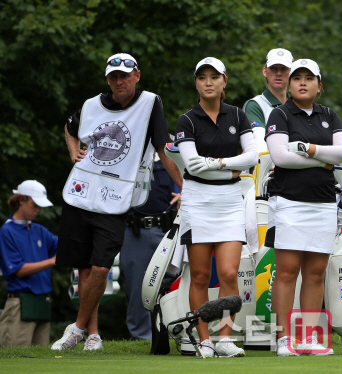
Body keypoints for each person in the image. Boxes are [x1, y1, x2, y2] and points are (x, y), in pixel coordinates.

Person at [52, 53, 183, 351]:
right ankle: (93, 335)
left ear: (137, 75)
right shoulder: (91, 105)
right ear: (108, 79)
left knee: (100, 269)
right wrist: (74, 151)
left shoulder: (150, 103)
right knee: (84, 269)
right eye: (114, 77)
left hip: (116, 198)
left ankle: (76, 329)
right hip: (82, 191)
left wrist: (185, 189)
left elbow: (163, 149)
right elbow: (70, 129)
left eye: (125, 75)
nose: (119, 81)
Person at [264, 59, 342, 356]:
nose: (302, 82)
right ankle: (285, 338)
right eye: (296, 77)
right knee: (287, 271)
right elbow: (281, 157)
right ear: (289, 84)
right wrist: (324, 160)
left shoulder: (330, 115)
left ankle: (309, 337)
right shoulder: (280, 114)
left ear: (319, 85)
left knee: (316, 273)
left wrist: (310, 149)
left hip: (324, 202)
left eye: (309, 78)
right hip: (288, 202)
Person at [175, 57, 258, 358]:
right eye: (202, 77)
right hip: (197, 201)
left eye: (214, 76)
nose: (208, 82)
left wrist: (220, 164)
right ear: (196, 82)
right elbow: (193, 166)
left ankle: (224, 337)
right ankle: (204, 339)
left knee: (228, 272)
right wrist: (231, 168)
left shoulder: (237, 115)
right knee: (198, 275)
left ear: (225, 81)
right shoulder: (187, 119)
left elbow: (252, 157)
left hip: (229, 202)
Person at [120, 154, 177, 341]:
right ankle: (141, 337)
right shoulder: (126, 151)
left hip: (169, 228)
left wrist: (186, 192)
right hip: (135, 229)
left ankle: (175, 333)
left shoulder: (171, 150)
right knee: (137, 287)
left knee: (174, 285)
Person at [0, 180, 57, 347]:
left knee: (40, 363)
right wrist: (52, 261)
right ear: (21, 200)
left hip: (42, 304)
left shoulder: (39, 230)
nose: (38, 210)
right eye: (34, 205)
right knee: (16, 361)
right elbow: (18, 270)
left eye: (40, 206)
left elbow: (64, 246)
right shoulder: (6, 231)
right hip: (20, 305)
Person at [243, 48, 294, 154]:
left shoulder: (297, 106)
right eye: (273, 68)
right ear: (265, 71)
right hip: (265, 168)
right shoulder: (255, 105)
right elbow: (259, 144)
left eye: (284, 69)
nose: (278, 73)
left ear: (292, 73)